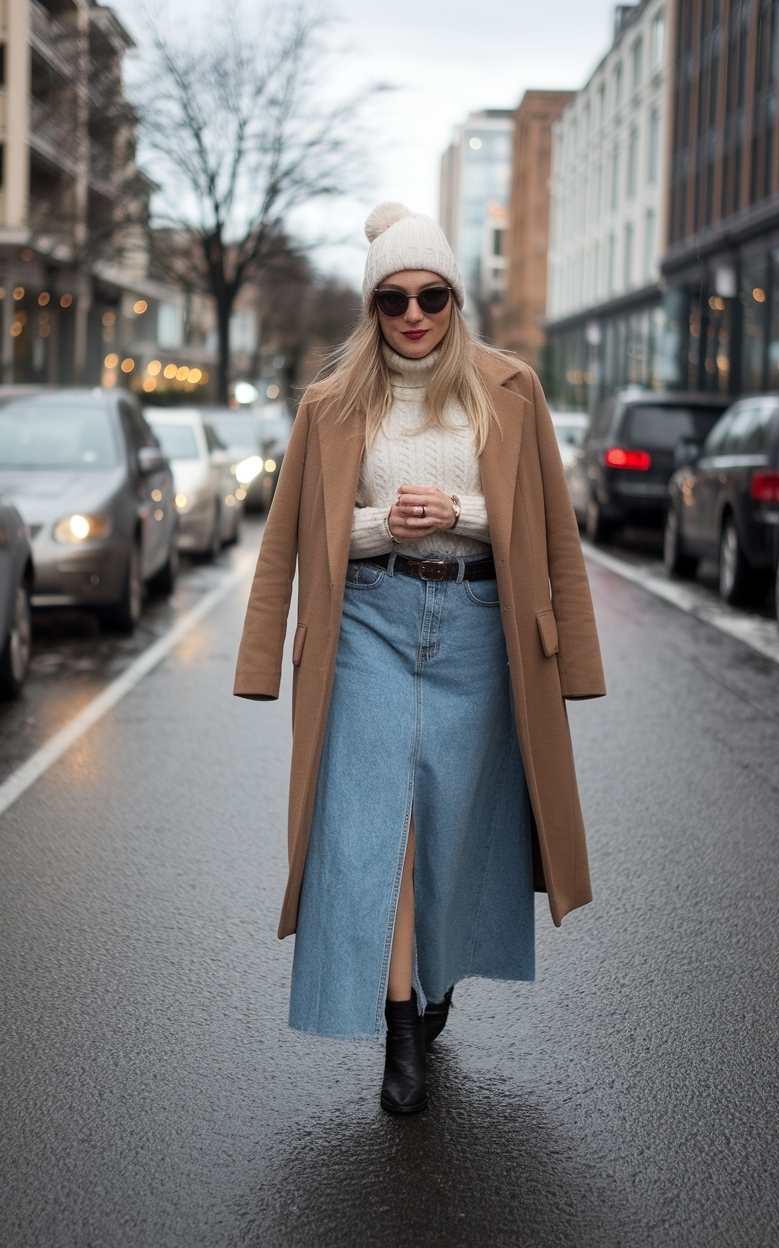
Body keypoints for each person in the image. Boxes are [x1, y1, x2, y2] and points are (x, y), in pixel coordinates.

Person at [234, 203, 605, 1114]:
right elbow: (288, 538)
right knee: (380, 832)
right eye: (392, 298)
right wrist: (375, 528)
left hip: (480, 625)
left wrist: (462, 517)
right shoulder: (329, 404)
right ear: (370, 307)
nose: (412, 314)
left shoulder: (510, 387)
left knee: (449, 822)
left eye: (430, 295)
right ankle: (402, 1021)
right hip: (371, 622)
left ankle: (433, 981)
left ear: (453, 298)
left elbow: (553, 529)